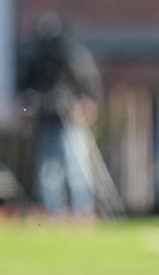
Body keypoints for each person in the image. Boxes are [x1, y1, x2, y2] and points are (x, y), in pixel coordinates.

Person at [20, 13, 102, 217]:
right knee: (48, 172)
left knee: (76, 167)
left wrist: (86, 104)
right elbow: (26, 90)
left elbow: (88, 84)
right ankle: (54, 213)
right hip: (45, 120)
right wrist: (26, 110)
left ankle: (83, 210)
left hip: (69, 120)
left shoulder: (72, 55)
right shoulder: (37, 57)